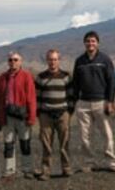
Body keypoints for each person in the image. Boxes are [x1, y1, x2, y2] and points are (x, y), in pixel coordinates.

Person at [72, 31, 115, 172]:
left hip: (101, 102)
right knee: (84, 136)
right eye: (88, 41)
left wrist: (110, 101)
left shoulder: (105, 60)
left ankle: (111, 162)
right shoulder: (79, 61)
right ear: (84, 43)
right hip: (83, 103)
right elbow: (75, 83)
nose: (90, 43)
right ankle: (88, 162)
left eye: (93, 41)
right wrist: (75, 102)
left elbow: (111, 81)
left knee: (106, 134)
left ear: (97, 43)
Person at [35, 49, 75, 181]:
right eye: (50, 59)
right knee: (46, 145)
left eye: (55, 59)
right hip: (46, 115)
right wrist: (39, 113)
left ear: (59, 60)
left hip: (62, 114)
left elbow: (71, 95)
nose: (52, 62)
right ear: (47, 60)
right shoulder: (41, 77)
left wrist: (69, 111)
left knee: (64, 143)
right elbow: (37, 97)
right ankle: (46, 171)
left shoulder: (66, 76)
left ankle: (66, 168)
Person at [0, 52, 36, 179]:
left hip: (22, 115)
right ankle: (9, 170)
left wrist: (31, 116)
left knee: (25, 143)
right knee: (8, 144)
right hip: (8, 116)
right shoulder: (3, 77)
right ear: (8, 62)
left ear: (20, 61)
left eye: (15, 59)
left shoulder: (26, 76)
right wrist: (0, 117)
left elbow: (31, 97)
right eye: (10, 60)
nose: (13, 62)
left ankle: (27, 169)